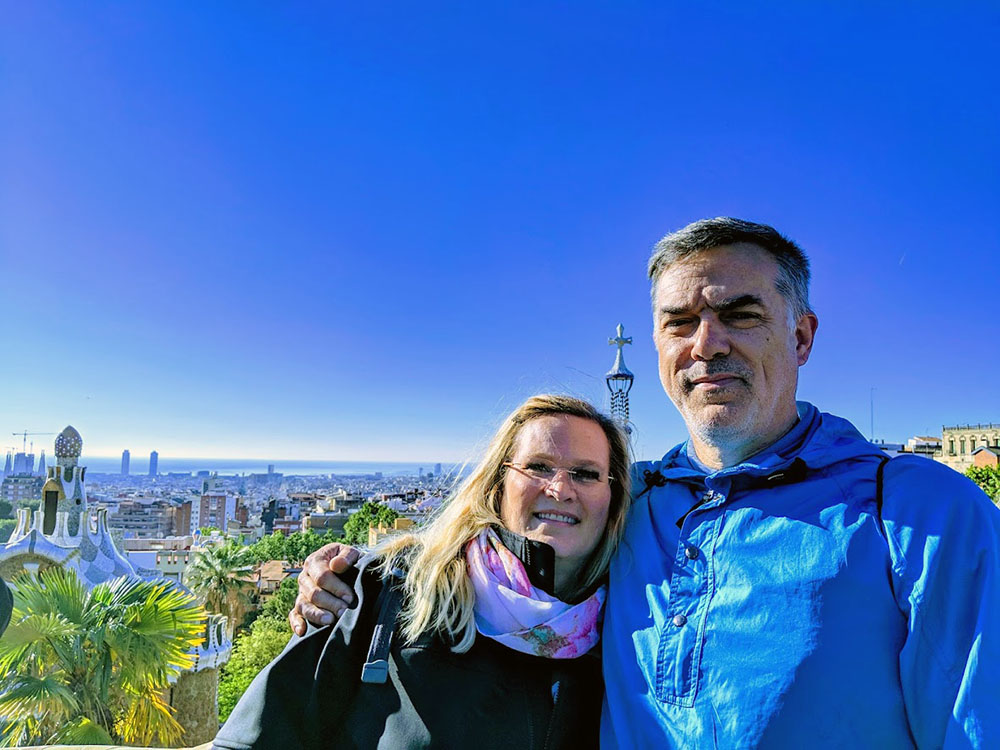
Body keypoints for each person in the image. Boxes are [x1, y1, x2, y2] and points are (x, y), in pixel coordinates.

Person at [294, 218, 1000, 748]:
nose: (707, 343)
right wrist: (350, 578)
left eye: (741, 314)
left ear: (803, 336)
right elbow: (494, 562)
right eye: (680, 322)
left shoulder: (917, 511)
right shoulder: (630, 505)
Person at [215, 394, 631, 749]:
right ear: (498, 483)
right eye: (538, 467)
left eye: (585, 473)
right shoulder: (382, 589)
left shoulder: (632, 628)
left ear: (613, 495)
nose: (560, 489)